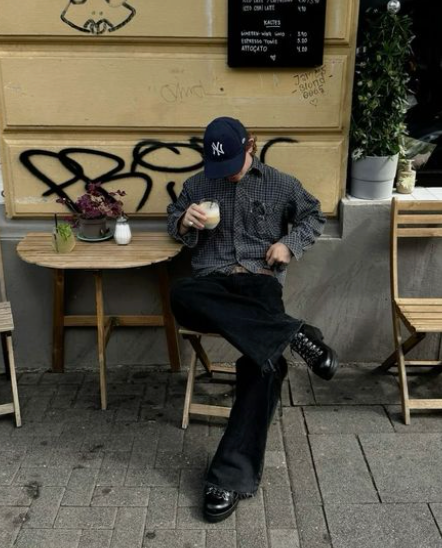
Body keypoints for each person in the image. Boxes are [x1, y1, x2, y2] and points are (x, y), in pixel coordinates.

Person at [167, 116, 338, 523]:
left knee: (267, 365)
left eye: (233, 165)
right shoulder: (197, 185)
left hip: (259, 282)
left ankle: (228, 477)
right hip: (212, 285)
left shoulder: (281, 184)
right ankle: (294, 333)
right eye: (219, 168)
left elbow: (314, 215)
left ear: (251, 146)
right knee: (180, 293)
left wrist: (289, 244)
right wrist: (184, 221)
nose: (226, 175)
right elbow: (174, 224)